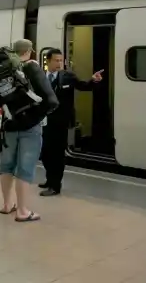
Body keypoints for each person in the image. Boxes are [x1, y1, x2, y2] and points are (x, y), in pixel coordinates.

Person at [0, 39, 58, 222]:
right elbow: (51, 101)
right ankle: (22, 211)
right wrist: (37, 115)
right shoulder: (31, 67)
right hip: (30, 127)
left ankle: (7, 205)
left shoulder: (1, 70)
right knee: (25, 169)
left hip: (8, 125)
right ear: (29, 51)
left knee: (6, 166)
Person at [39, 48, 103, 197]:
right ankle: (49, 179)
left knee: (57, 154)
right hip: (44, 121)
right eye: (56, 60)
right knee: (45, 152)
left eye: (61, 61)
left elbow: (84, 86)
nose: (59, 63)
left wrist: (93, 80)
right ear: (48, 61)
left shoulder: (68, 76)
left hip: (61, 121)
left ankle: (55, 185)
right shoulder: (40, 76)